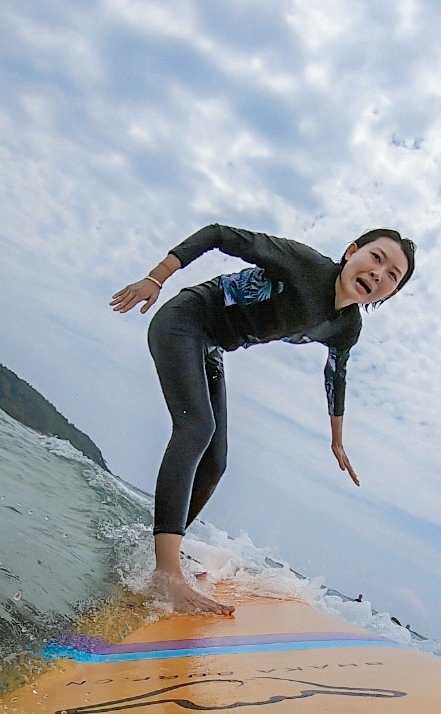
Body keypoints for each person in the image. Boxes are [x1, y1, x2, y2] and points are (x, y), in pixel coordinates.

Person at [111, 225, 416, 615]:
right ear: (351, 251)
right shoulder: (303, 264)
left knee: (216, 462)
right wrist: (156, 279)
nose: (378, 273)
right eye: (376, 258)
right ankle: (167, 573)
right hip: (184, 321)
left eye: (392, 275)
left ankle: (157, 549)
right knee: (197, 429)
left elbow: (335, 374)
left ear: (391, 293)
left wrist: (337, 440)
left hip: (211, 348)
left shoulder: (347, 326)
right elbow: (218, 234)